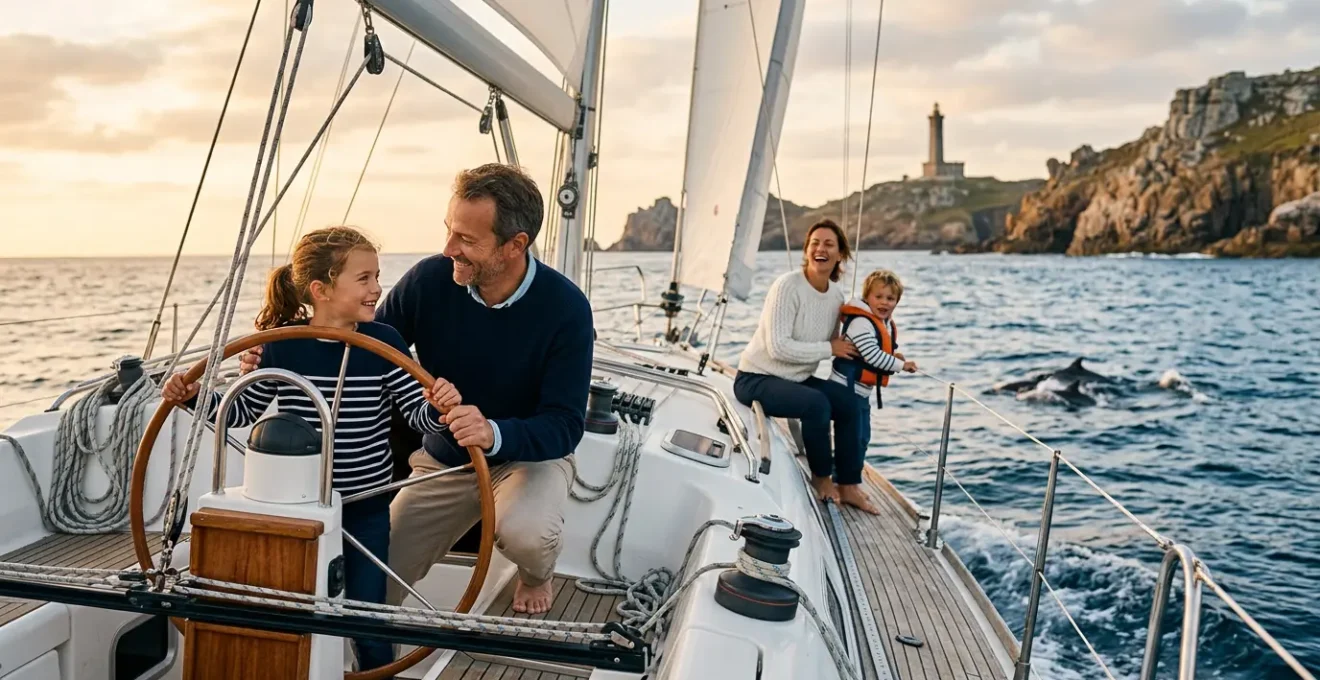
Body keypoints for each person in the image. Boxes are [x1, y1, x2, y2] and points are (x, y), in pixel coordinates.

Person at [241, 164, 593, 615]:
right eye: (449, 231)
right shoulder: (429, 281)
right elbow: (364, 347)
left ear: (514, 245)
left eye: (466, 239)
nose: (448, 249)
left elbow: (565, 424)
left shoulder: (566, 309)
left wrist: (493, 432)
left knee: (527, 533)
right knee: (370, 592)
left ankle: (535, 574)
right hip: (443, 461)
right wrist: (275, 355)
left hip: (527, 458)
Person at [162, 226, 460, 674]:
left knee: (369, 621)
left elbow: (418, 416)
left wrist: (441, 407)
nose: (377, 289)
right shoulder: (280, 345)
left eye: (377, 277)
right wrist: (191, 396)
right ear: (321, 289)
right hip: (296, 511)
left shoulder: (385, 344)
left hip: (365, 507)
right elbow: (240, 411)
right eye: (364, 278)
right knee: (290, 613)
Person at [732, 219, 867, 508]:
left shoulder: (836, 296)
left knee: (849, 402)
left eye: (829, 244)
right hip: (756, 377)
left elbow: (835, 342)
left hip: (797, 378)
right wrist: (830, 348)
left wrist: (881, 349)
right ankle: (821, 478)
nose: (821, 249)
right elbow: (778, 347)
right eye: (814, 243)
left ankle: (848, 484)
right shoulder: (787, 286)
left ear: (840, 254)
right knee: (816, 404)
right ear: (806, 251)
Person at [828, 269, 917, 514]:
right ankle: (846, 486)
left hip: (861, 392)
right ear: (867, 297)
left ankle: (847, 484)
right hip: (846, 389)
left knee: (861, 438)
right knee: (852, 439)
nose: (884, 303)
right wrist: (901, 365)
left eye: (890, 298)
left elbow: (880, 350)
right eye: (879, 297)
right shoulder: (861, 322)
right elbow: (872, 356)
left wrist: (894, 355)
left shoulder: (882, 323)